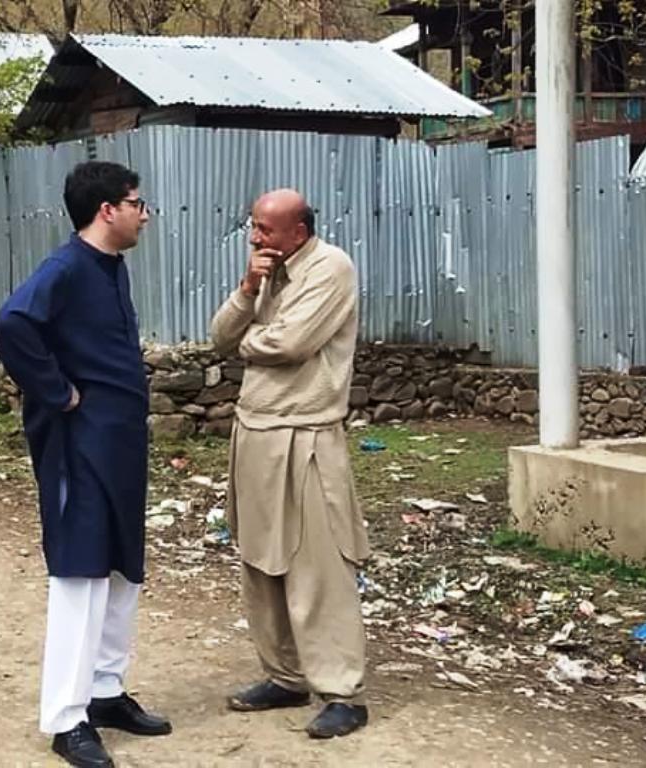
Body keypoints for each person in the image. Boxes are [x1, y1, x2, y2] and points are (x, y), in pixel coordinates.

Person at [0, 161, 170, 768]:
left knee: (122, 566)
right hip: (79, 444)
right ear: (107, 210)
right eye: (137, 203)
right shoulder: (65, 268)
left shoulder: (110, 267)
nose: (145, 214)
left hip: (120, 443)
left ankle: (104, 691)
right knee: (81, 570)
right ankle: (66, 719)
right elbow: (12, 324)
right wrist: (58, 393)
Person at [210, 188, 370, 740]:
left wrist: (249, 339)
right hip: (255, 431)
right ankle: (285, 675)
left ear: (299, 231)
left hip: (306, 434)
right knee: (261, 559)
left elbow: (290, 343)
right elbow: (220, 336)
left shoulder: (330, 268)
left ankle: (342, 691)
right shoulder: (265, 273)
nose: (256, 238)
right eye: (253, 226)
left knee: (317, 564)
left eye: (266, 229)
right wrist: (247, 290)